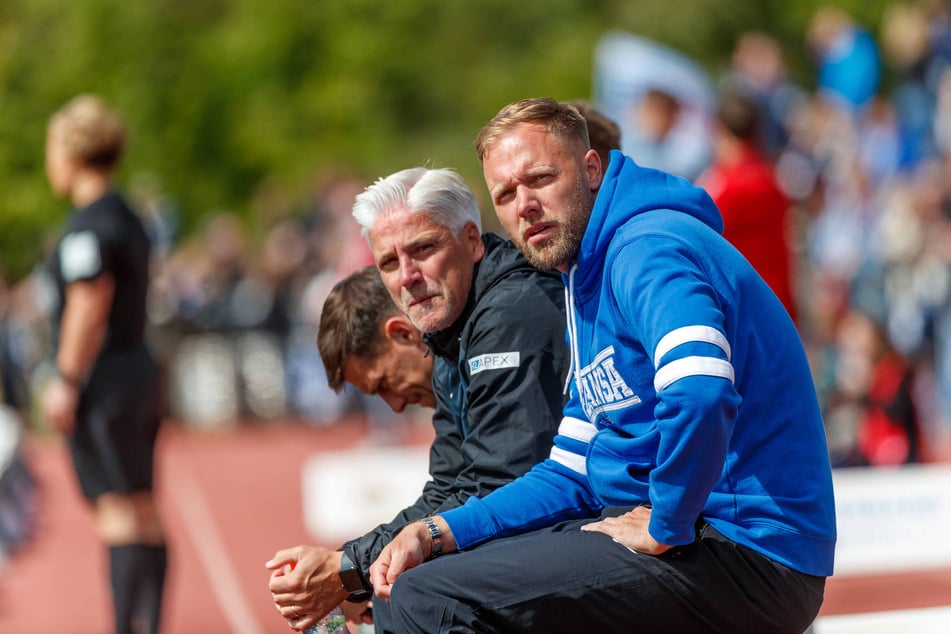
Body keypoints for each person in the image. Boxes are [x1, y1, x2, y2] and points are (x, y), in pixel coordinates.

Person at [369, 98, 837, 633]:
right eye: (505, 193)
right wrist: (437, 531)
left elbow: (702, 389)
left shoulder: (646, 247)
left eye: (541, 178)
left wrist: (668, 520)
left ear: (592, 168)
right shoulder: (582, 278)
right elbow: (570, 472)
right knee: (414, 581)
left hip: (746, 548)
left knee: (428, 599)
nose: (524, 204)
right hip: (703, 537)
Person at [266, 167, 570, 632]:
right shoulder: (450, 334)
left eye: (423, 249)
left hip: (619, 525)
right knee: (397, 591)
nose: (408, 276)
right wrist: (352, 568)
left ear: (471, 241)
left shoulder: (509, 314)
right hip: (562, 525)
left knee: (418, 597)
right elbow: (450, 487)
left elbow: (499, 490)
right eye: (389, 262)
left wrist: (353, 571)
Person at [41, 94, 167, 634]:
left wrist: (66, 379)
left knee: (118, 513)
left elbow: (88, 301)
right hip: (140, 368)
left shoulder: (87, 226)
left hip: (106, 378)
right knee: (144, 509)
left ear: (69, 152)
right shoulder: (132, 217)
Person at [698, 90, 799, 324]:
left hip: (755, 312)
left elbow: (696, 224)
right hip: (767, 305)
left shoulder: (743, 183)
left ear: (719, 129)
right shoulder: (762, 176)